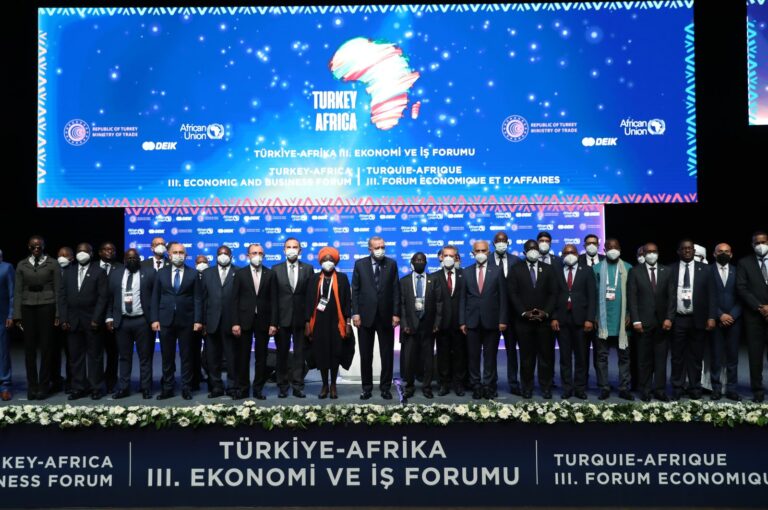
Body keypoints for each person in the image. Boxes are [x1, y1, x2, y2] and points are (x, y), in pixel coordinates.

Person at [150, 242, 203, 400]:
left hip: (187, 321)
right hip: (166, 320)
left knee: (187, 356)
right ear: (169, 254)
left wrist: (198, 320)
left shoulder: (193, 274)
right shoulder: (161, 273)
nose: (178, 255)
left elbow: (198, 299)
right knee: (167, 356)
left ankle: (186, 388)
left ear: (185, 255)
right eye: (175, 252)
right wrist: (154, 319)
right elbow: (155, 298)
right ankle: (168, 388)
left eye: (181, 252)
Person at [507, 239, 558, 399]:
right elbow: (513, 294)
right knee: (526, 357)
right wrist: (524, 312)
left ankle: (546, 387)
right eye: (530, 249)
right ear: (524, 252)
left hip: (544, 322)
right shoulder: (515, 269)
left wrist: (546, 313)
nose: (533, 251)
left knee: (546, 356)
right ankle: (527, 387)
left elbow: (553, 294)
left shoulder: (549, 269)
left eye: (535, 248)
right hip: (523, 322)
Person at [351, 236, 400, 400]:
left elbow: (396, 290)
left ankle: (386, 387)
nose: (381, 250)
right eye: (377, 247)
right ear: (369, 249)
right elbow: (355, 290)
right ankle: (366, 388)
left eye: (382, 247)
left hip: (386, 316)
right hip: (365, 316)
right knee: (366, 354)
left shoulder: (391, 264)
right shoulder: (360, 264)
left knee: (387, 354)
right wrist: (355, 313)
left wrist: (396, 313)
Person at [667, 239, 716, 400]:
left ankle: (695, 387)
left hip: (698, 318)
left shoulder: (706, 270)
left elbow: (711, 296)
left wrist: (711, 317)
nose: (687, 251)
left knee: (696, 356)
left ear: (694, 251)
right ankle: (677, 387)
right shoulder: (670, 270)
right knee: (677, 356)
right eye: (684, 249)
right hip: (678, 319)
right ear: (678, 251)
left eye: (690, 248)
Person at [58, 243, 108, 400]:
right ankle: (79, 387)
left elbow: (103, 297)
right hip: (73, 320)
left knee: (95, 356)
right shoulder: (68, 272)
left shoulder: (99, 272)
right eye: (79, 251)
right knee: (75, 356)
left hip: (92, 320)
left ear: (91, 254)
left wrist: (97, 318)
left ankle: (96, 387)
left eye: (85, 251)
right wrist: (64, 318)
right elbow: (62, 297)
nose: (82, 253)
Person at [459, 240, 508, 399]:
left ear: (489, 252)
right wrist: (462, 321)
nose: (480, 253)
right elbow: (463, 299)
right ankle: (476, 386)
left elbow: (502, 298)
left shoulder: (497, 270)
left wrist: (502, 320)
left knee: (490, 356)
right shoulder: (466, 272)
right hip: (471, 322)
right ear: (473, 253)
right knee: (473, 357)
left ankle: (489, 385)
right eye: (477, 251)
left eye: (484, 250)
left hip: (492, 321)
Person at [13, 235, 61, 400]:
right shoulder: (21, 264)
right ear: (28, 247)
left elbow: (59, 290)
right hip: (27, 307)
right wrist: (17, 315)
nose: (36, 248)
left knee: (47, 348)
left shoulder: (52, 263)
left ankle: (44, 386)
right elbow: (18, 291)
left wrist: (58, 313)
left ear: (44, 246)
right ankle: (32, 386)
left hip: (47, 305)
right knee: (29, 349)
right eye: (33, 246)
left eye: (39, 246)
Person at [106, 249, 156, 399]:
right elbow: (110, 298)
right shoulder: (115, 274)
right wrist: (109, 318)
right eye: (129, 258)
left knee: (145, 356)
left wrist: (154, 319)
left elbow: (155, 298)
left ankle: (146, 387)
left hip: (143, 321)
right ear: (124, 259)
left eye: (135, 258)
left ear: (140, 259)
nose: (132, 260)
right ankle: (124, 388)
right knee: (124, 357)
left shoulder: (150, 273)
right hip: (122, 321)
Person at [628, 242, 674, 401]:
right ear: (643, 254)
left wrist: (669, 317)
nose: (651, 254)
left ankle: (660, 390)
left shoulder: (667, 271)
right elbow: (632, 298)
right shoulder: (635, 272)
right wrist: (635, 321)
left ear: (658, 253)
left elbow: (672, 297)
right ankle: (645, 389)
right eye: (648, 252)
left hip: (663, 323)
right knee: (644, 359)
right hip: (643, 323)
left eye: (654, 251)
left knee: (661, 359)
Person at [231, 243, 278, 400]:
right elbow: (234, 299)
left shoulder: (270, 274)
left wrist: (273, 323)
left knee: (261, 356)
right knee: (243, 356)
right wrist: (235, 322)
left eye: (260, 253)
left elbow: (274, 301)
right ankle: (243, 388)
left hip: (263, 321)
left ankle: (258, 389)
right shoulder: (240, 273)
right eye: (254, 253)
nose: (257, 256)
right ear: (248, 255)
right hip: (244, 320)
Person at [305, 247, 352, 399]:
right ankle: (324, 384)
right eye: (325, 260)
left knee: (335, 353)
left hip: (337, 322)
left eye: (331, 259)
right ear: (320, 262)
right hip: (319, 323)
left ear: (335, 261)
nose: (328, 262)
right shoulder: (313, 279)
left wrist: (348, 323)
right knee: (322, 353)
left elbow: (347, 302)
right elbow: (309, 302)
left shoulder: (343, 278)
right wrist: (307, 323)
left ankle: (333, 385)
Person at [552, 244, 596, 400]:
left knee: (581, 356)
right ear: (562, 255)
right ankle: (567, 388)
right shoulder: (556, 271)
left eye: (572, 252)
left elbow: (592, 297)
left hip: (581, 320)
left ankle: (579, 388)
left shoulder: (587, 270)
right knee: (564, 357)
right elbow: (553, 296)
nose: (569, 254)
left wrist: (590, 319)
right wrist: (554, 317)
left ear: (578, 254)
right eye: (566, 252)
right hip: (562, 320)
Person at [272, 238, 313, 398]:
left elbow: (310, 296)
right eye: (288, 247)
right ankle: (282, 386)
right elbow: (273, 298)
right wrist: (273, 322)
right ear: (283, 250)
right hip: (281, 319)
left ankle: (297, 385)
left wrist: (309, 319)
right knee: (281, 354)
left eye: (295, 247)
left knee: (299, 354)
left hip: (301, 319)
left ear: (300, 250)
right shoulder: (275, 269)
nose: (291, 249)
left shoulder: (308, 269)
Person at [593, 238, 634, 400]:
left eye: (615, 247)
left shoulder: (629, 268)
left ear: (620, 249)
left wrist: (630, 314)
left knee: (624, 357)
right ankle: (604, 387)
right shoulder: (595, 269)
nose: (612, 249)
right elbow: (592, 296)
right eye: (609, 247)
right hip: (602, 321)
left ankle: (624, 387)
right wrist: (594, 316)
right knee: (601, 356)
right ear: (604, 249)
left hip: (623, 321)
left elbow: (632, 295)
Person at [399, 252, 443, 398]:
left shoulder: (433, 280)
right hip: (410, 326)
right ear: (412, 262)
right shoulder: (404, 281)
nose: (419, 262)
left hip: (429, 326)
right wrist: (404, 324)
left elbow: (439, 303)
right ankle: (409, 386)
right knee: (409, 359)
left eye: (422, 260)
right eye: (417, 260)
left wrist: (437, 323)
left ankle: (427, 386)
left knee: (428, 359)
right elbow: (402, 305)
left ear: (426, 263)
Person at [200, 246, 238, 398]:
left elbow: (240, 300)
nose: (223, 256)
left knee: (232, 357)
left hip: (231, 322)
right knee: (212, 358)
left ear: (231, 255)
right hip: (211, 322)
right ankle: (216, 386)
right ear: (216, 256)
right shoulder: (207, 273)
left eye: (226, 254)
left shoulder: (239, 272)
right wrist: (202, 322)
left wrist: (238, 322)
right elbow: (202, 299)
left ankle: (232, 387)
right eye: (220, 254)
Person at [736, 231, 768, 403]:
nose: (760, 245)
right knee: (755, 356)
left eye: (763, 242)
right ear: (752, 245)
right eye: (757, 243)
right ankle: (757, 390)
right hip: (754, 316)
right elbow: (741, 288)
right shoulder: (744, 263)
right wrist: (760, 307)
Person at [432, 245, 467, 396]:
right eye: (445, 255)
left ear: (456, 258)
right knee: (443, 354)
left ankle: (458, 383)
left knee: (460, 354)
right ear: (440, 257)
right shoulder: (434, 277)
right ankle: (444, 383)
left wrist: (464, 321)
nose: (448, 258)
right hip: (441, 324)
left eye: (451, 255)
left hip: (460, 323)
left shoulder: (464, 275)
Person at [710, 243, 742, 401]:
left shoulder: (738, 271)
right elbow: (705, 297)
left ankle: (732, 389)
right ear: (714, 254)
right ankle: (715, 388)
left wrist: (732, 316)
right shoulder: (708, 271)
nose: (723, 253)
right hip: (715, 320)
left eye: (726, 251)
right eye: (720, 251)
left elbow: (742, 296)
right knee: (715, 357)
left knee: (732, 357)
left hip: (734, 321)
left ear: (731, 254)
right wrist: (720, 315)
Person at [492, 231, 521, 395]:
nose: (501, 242)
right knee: (491, 352)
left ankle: (513, 382)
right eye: (498, 240)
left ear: (508, 242)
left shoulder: (516, 261)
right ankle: (492, 383)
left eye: (504, 240)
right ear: (493, 243)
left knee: (511, 351)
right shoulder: (486, 260)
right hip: (492, 314)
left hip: (512, 315)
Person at [97, 242, 122, 393]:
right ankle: (96, 381)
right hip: (94, 316)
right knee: (95, 353)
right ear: (99, 252)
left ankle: (111, 381)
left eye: (112, 249)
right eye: (106, 249)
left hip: (113, 316)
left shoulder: (120, 268)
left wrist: (110, 316)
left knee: (113, 352)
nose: (110, 251)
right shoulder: (93, 267)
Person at [53, 246, 74, 394]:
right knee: (53, 352)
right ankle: (55, 380)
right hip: (52, 317)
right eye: (60, 255)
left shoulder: (74, 272)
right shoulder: (52, 271)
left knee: (71, 353)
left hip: (70, 318)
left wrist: (65, 317)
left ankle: (71, 381)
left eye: (65, 255)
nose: (62, 257)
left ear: (72, 258)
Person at [191, 254, 209, 391]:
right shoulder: (191, 276)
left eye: (204, 262)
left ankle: (211, 378)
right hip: (194, 322)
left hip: (209, 322)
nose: (201, 264)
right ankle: (195, 379)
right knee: (193, 352)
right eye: (199, 262)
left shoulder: (212, 276)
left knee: (211, 353)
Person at [0, 249, 14, 401]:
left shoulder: (6, 267)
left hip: (1, 316)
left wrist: (11, 314)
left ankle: (5, 385)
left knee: (2, 352)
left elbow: (12, 293)